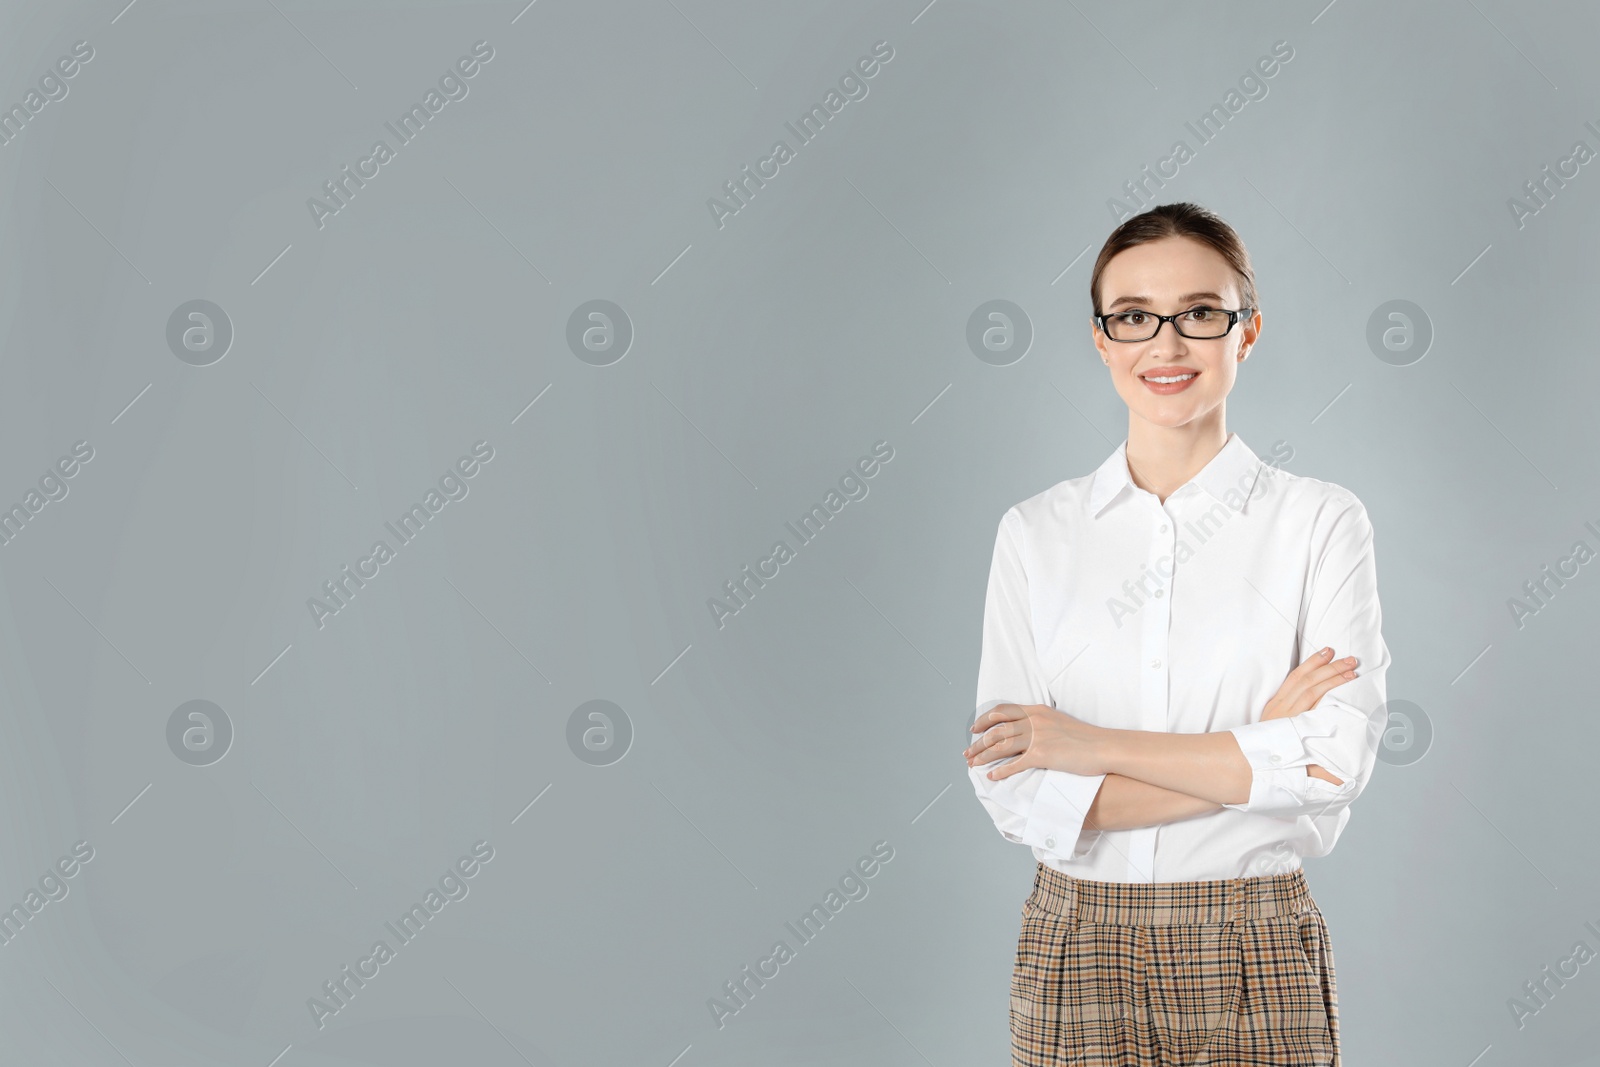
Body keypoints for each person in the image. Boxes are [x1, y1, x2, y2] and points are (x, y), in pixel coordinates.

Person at [963, 201, 1390, 1067]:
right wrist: (1259, 749)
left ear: (1248, 331)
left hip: (1254, 937)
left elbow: (1332, 761)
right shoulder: (1036, 532)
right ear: (1100, 339)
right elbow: (1016, 793)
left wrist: (1086, 746)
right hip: (1076, 941)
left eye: (1199, 313)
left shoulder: (1318, 521)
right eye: (1133, 317)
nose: (1166, 346)